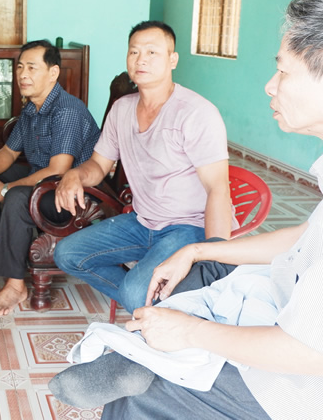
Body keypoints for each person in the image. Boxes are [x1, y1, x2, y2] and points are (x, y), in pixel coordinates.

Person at [51, 0, 323, 419]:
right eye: (134, 51)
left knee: (144, 393)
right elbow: (309, 237)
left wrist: (192, 331)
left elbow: (313, 353)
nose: (271, 85)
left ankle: (146, 357)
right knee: (204, 272)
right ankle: (149, 347)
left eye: (283, 71)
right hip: (159, 230)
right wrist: (199, 251)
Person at [53, 21, 233, 313]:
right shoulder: (121, 109)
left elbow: (218, 188)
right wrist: (74, 175)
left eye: (152, 52)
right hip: (142, 221)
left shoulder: (196, 113)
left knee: (136, 292)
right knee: (67, 253)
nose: (141, 60)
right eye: (134, 52)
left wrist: (216, 255)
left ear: (172, 60)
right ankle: (151, 299)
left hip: (189, 226)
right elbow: (98, 165)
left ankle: (146, 297)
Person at [0, 40, 100, 316]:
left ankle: (16, 286)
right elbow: (8, 152)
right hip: (42, 180)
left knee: (14, 196)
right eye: (20, 67)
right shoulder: (31, 108)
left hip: (69, 195)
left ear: (53, 73)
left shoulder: (67, 111)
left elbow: (57, 170)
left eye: (32, 68)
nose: (23, 75)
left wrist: (3, 190)